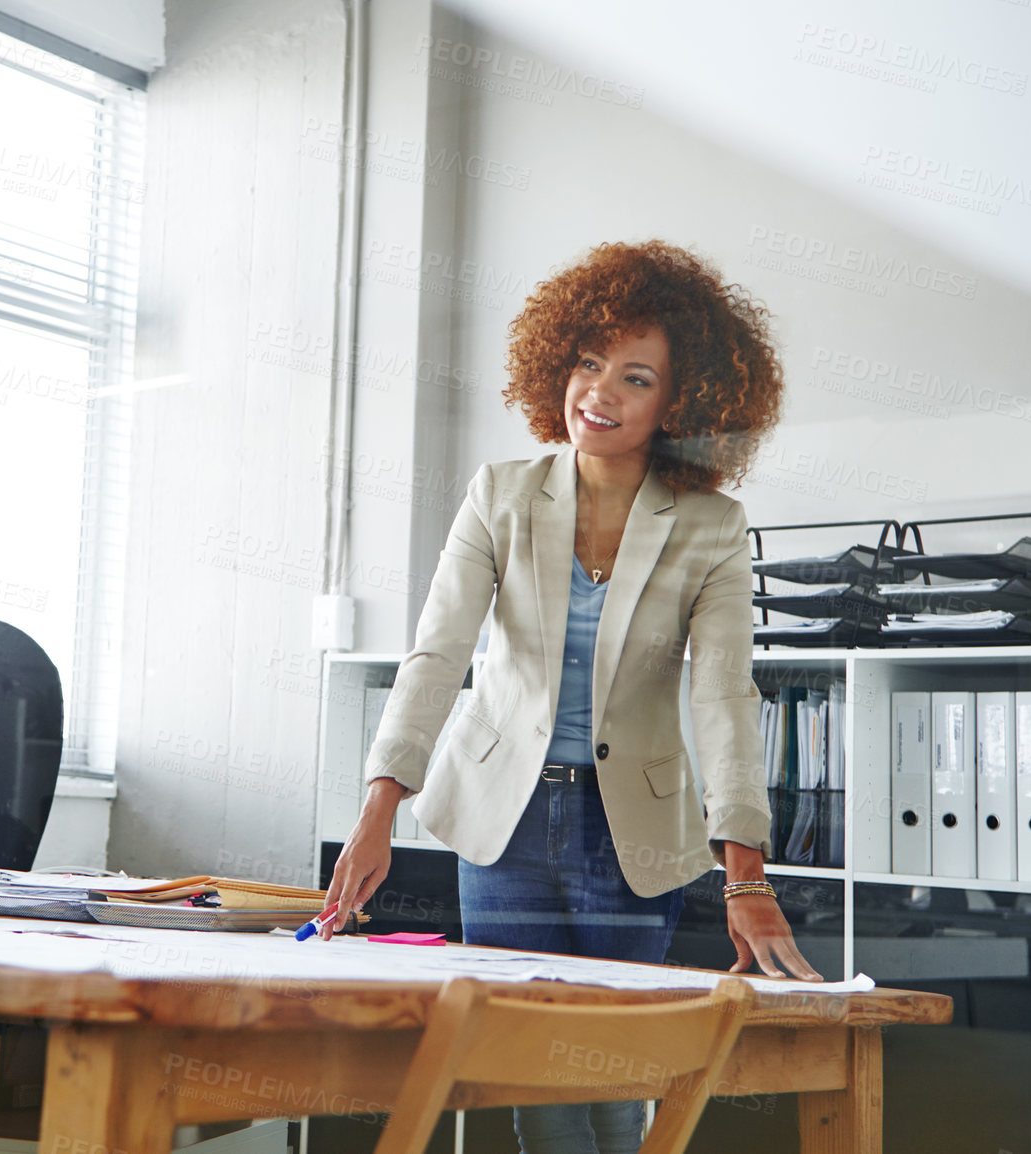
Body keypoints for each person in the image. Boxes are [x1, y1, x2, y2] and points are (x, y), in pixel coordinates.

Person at [320, 240, 823, 1154]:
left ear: (682, 402)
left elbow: (722, 696)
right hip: (501, 825)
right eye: (588, 363)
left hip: (628, 831)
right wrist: (379, 808)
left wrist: (746, 873)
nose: (599, 392)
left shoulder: (711, 527)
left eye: (635, 377)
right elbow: (437, 655)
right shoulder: (499, 496)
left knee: (617, 1072)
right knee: (533, 1076)